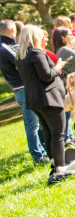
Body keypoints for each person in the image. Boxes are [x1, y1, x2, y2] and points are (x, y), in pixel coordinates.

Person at [15, 25, 70, 185]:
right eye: (42, 36)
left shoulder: (21, 55)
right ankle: (60, 168)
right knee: (58, 134)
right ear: (34, 37)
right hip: (49, 99)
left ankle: (55, 164)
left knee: (48, 133)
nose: (45, 39)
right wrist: (58, 67)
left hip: (35, 100)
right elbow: (46, 76)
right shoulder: (36, 53)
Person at [0, 19, 47, 163]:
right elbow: (21, 61)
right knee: (32, 125)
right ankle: (38, 156)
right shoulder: (5, 48)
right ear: (13, 31)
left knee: (37, 122)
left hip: (20, 89)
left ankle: (43, 150)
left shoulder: (5, 46)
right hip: (23, 88)